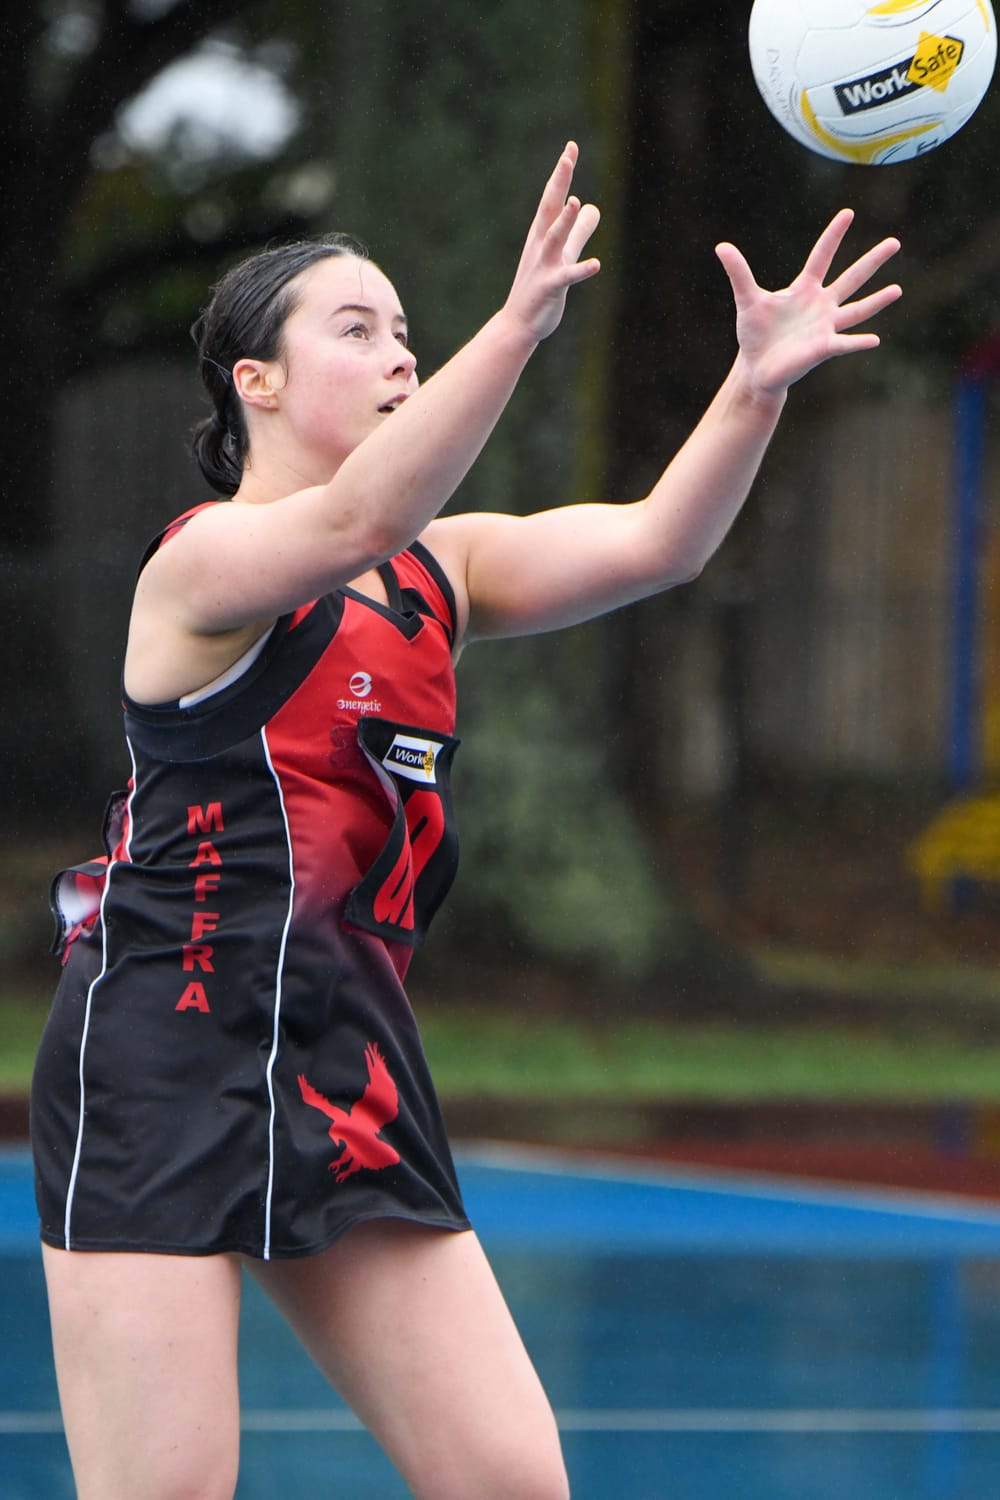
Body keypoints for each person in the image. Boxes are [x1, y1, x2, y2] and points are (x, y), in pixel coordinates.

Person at [30, 142, 901, 1500]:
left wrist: (754, 388)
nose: (399, 355)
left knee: (508, 1478)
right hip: (161, 1051)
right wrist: (519, 324)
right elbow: (358, 514)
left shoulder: (443, 567)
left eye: (406, 332)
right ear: (256, 381)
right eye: (356, 329)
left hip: (346, 1060)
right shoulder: (204, 566)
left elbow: (659, 544)